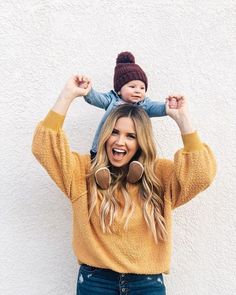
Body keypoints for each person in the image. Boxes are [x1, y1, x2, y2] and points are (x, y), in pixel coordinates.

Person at [32, 74, 216, 295]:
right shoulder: (83, 173)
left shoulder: (159, 175)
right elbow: (44, 147)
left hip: (146, 284)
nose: (120, 142)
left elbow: (201, 174)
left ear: (141, 142)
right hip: (95, 281)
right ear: (105, 135)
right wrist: (68, 95)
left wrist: (182, 118)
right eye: (114, 133)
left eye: (131, 136)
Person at [81, 51, 167, 190]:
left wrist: (169, 106)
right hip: (103, 150)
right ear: (119, 90)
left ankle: (136, 172)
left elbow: (159, 108)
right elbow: (95, 98)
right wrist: (88, 90)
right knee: (99, 161)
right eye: (132, 87)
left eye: (142, 88)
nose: (138, 91)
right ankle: (101, 175)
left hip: (134, 154)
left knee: (141, 155)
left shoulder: (144, 105)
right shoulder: (112, 100)